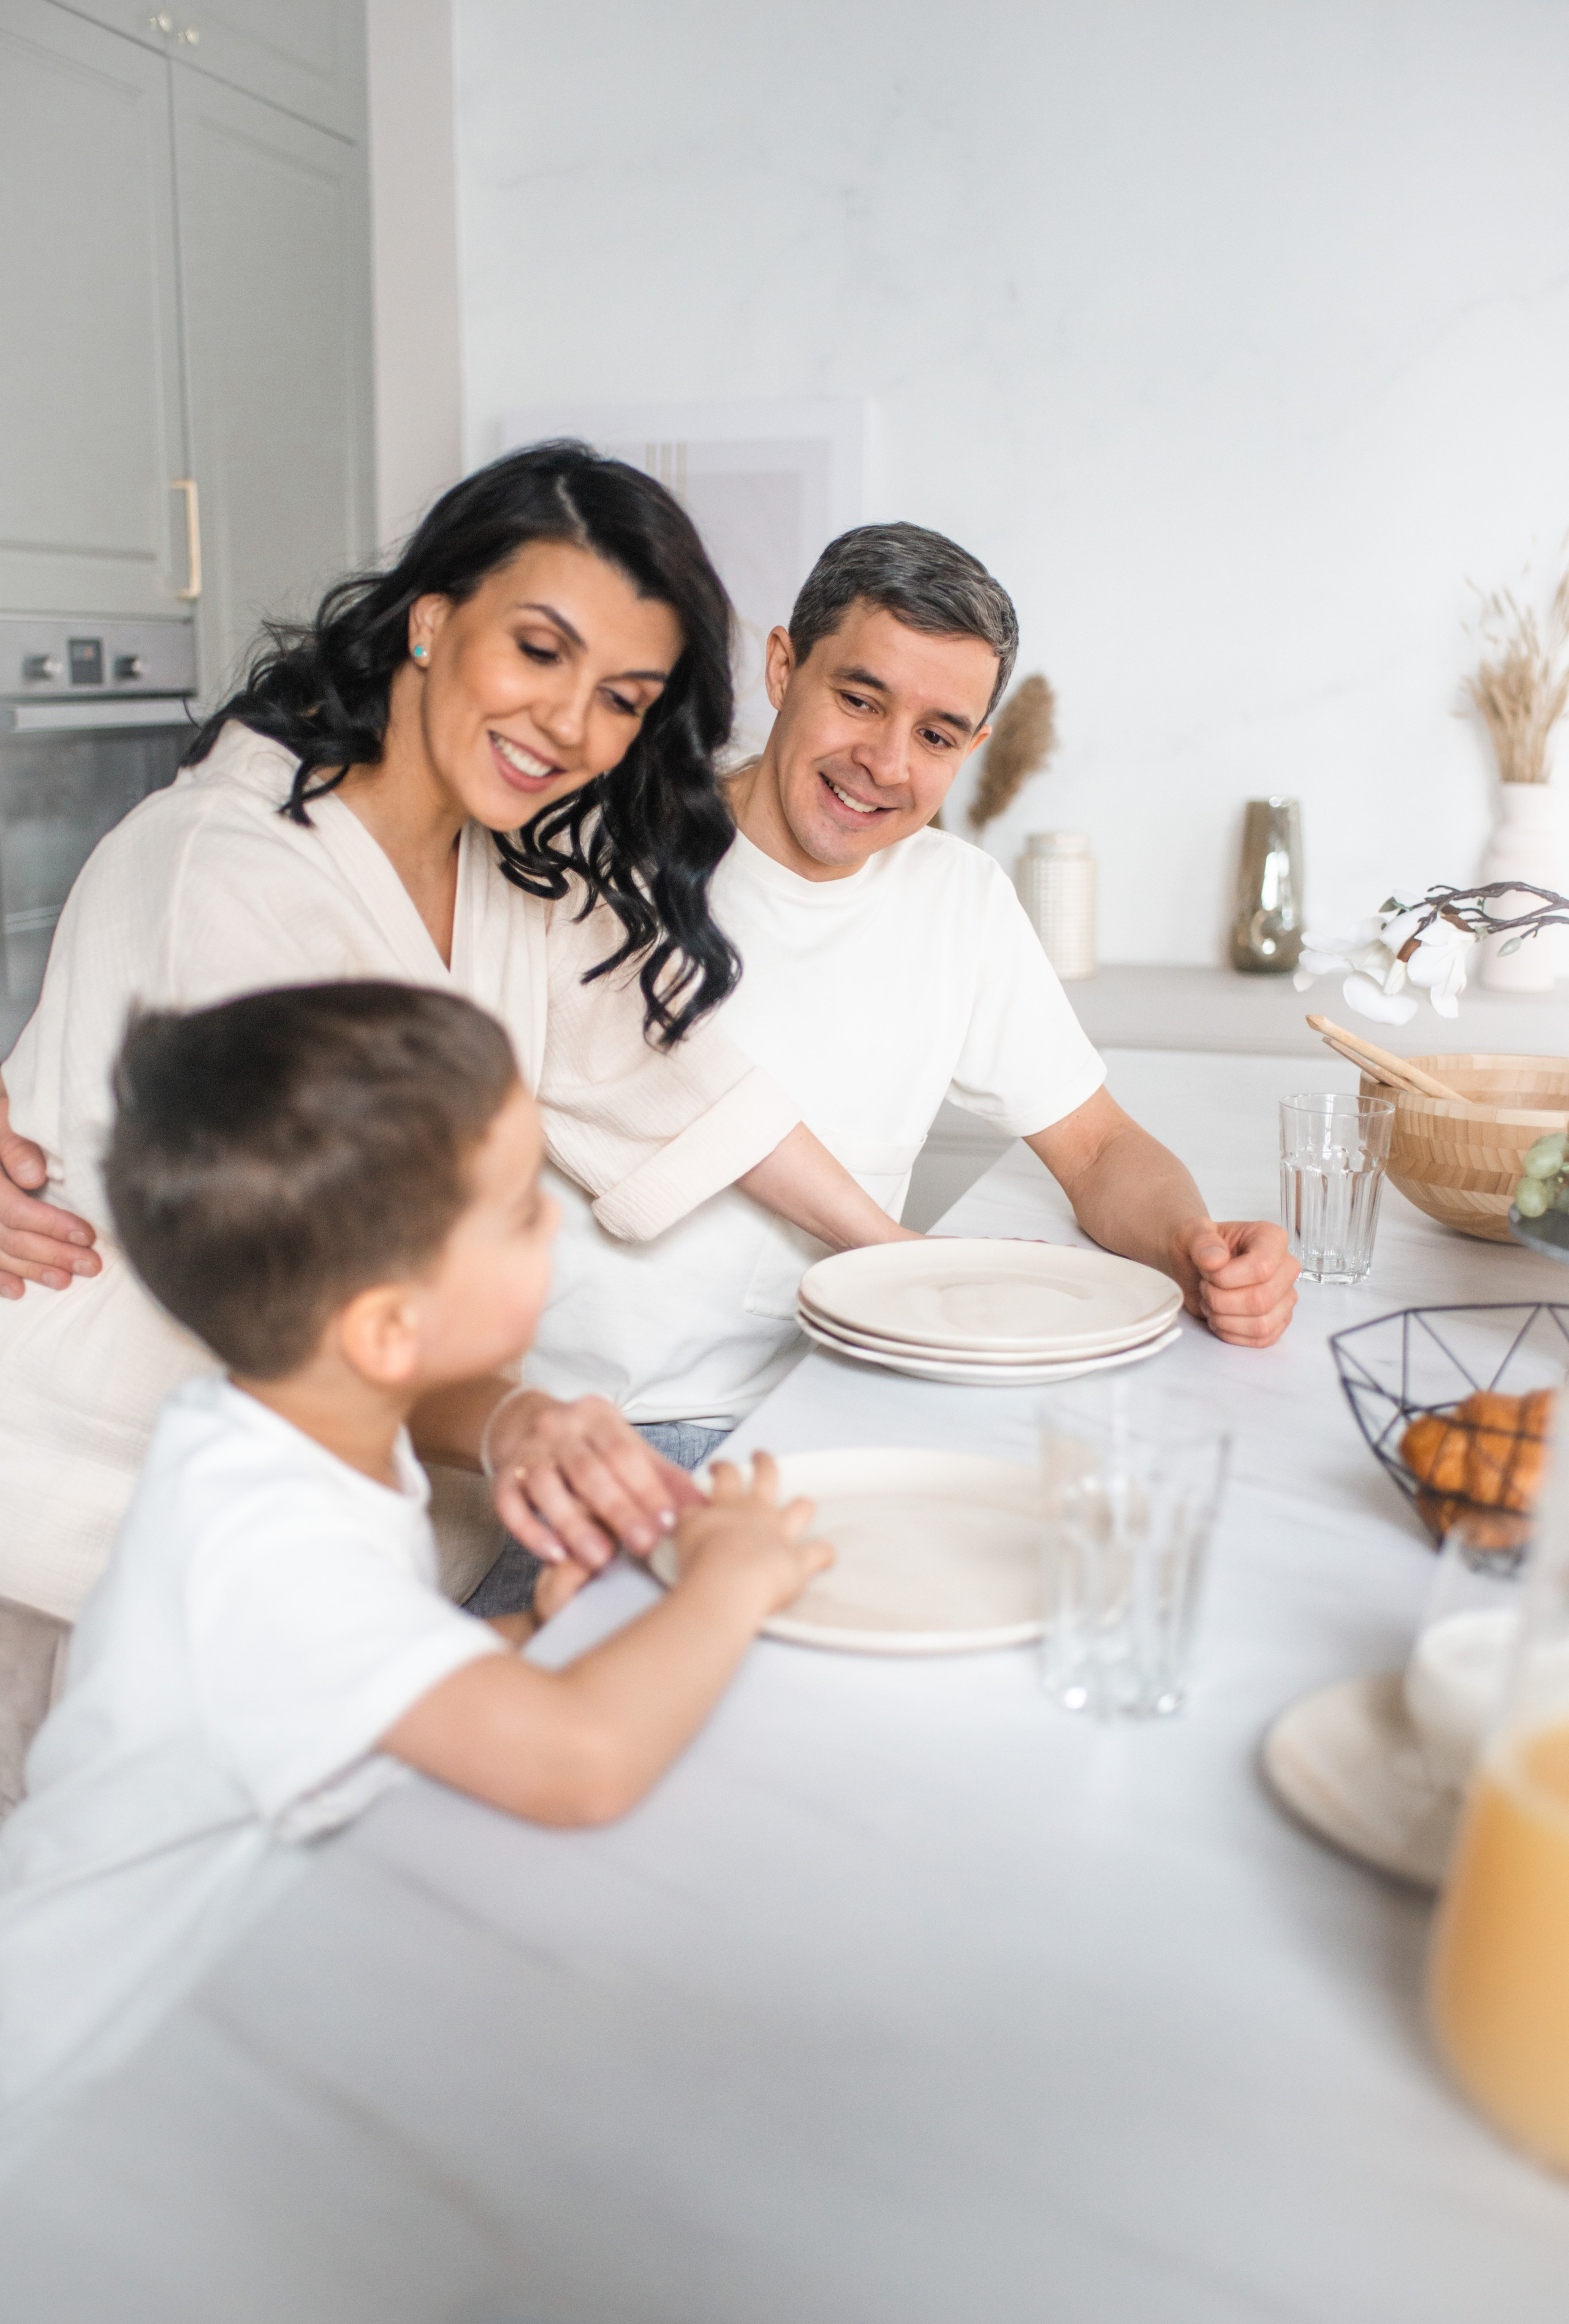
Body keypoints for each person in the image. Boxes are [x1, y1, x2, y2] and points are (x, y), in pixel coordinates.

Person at [0, 444, 904, 1626]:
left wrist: (906, 1267)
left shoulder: (505, 874)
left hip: (349, 1525)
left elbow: (679, 1090)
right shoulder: (228, 871)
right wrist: (513, 1420)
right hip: (101, 1522)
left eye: (625, 700)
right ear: (431, 619)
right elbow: (324, 1300)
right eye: (539, 650)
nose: (572, 725)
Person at [0, 980, 829, 2139]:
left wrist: (531, 1636)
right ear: (390, 1329)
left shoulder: (278, 1439)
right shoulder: (269, 1543)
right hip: (70, 2088)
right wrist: (736, 1578)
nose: (555, 1224)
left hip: (192, 2016)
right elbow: (580, 1764)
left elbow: (348, 1689)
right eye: (518, 1210)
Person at [520, 522, 1299, 1463]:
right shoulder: (607, 857)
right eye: (858, 699)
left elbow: (1097, 1149)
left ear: (974, 744)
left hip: (831, 1402)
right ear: (781, 668)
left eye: (934, 735)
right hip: (601, 1422)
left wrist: (1195, 1249)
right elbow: (705, 1116)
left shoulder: (958, 899)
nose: (886, 763)